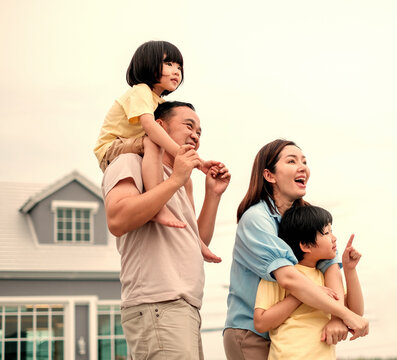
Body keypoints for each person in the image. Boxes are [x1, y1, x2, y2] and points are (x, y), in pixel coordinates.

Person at [103, 101, 230, 359]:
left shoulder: (181, 179)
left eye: (199, 132)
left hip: (185, 307)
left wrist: (212, 194)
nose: (195, 134)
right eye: (188, 126)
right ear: (159, 126)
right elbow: (117, 220)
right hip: (157, 303)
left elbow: (196, 241)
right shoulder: (130, 160)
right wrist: (175, 180)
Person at [223, 139, 369, 360]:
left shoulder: (306, 217)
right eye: (291, 161)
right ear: (269, 175)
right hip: (252, 333)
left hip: (289, 333)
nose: (303, 167)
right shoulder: (256, 219)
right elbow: (289, 278)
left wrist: (338, 318)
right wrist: (346, 314)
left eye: (304, 161)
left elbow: (330, 268)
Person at [94, 40, 214, 229]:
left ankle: (159, 205)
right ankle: (158, 207)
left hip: (128, 144)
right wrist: (180, 152)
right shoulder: (141, 91)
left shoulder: (157, 102)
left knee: (152, 144)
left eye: (179, 67)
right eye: (168, 64)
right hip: (111, 147)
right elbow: (150, 126)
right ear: (147, 64)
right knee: (152, 142)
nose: (176, 71)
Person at [253, 205, 365, 359]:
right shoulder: (280, 276)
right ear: (305, 245)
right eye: (326, 233)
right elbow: (261, 323)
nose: (334, 237)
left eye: (332, 231)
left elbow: (355, 314)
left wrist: (349, 270)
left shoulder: (324, 277)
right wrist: (302, 295)